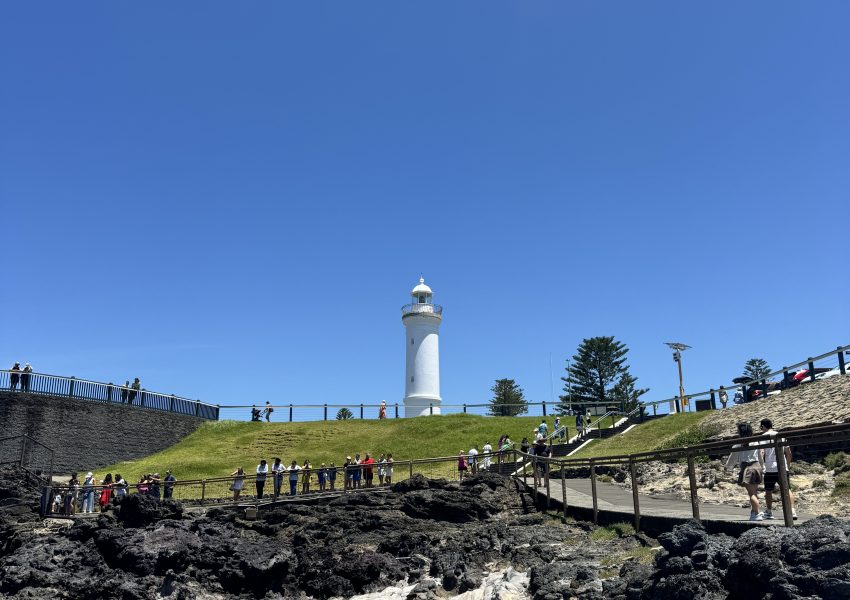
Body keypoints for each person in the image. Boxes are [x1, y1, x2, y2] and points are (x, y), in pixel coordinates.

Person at [759, 418, 798, 521]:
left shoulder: (762, 437)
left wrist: (762, 466)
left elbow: (761, 453)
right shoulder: (781, 435)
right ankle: (792, 511)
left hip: (770, 468)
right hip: (782, 467)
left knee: (768, 490)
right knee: (787, 489)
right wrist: (787, 466)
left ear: (763, 426)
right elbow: (788, 453)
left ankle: (769, 511)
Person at [725, 422, 764, 521]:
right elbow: (760, 456)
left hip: (747, 468)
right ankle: (753, 512)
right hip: (757, 466)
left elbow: (732, 458)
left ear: (740, 432)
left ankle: (757, 513)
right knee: (755, 492)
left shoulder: (738, 444)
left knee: (751, 493)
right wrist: (763, 467)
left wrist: (728, 467)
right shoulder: (755, 442)